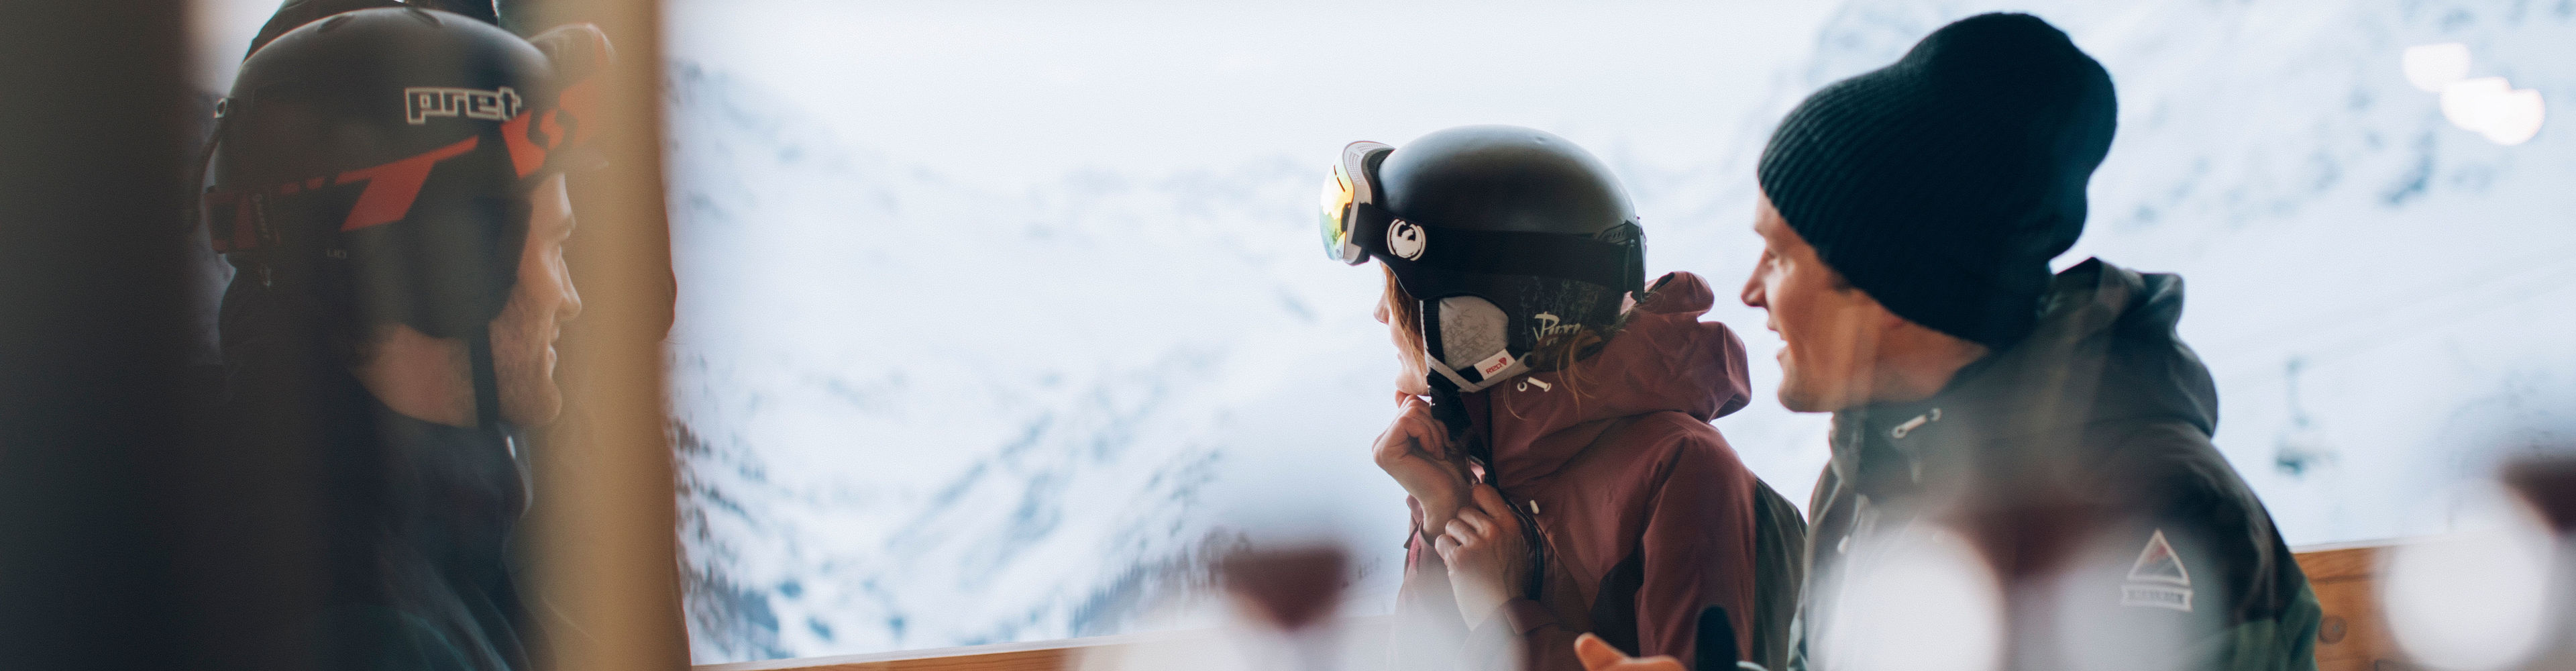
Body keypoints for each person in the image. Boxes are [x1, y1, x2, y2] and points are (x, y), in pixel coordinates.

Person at [1576, 13, 2320, 671]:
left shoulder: (2161, 511)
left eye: (1779, 255)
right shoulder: (1866, 474)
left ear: (1889, 287)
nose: (1749, 290)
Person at [200, 7, 604, 670]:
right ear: (452, 269)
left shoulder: (416, 539)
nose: (570, 298)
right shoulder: (376, 637)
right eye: (556, 248)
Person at [1322, 125, 1807, 671]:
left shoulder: (1682, 468)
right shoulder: (1488, 462)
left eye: (1396, 292)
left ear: (1470, 318)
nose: (1381, 314)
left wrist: (1506, 619)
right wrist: (1441, 519)